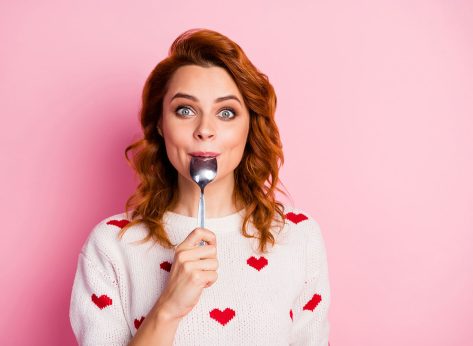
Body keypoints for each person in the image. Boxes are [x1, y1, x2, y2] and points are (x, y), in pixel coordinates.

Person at [69, 28, 331, 346]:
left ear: (250, 126)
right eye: (185, 110)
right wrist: (168, 308)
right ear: (159, 125)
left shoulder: (298, 237)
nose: (205, 129)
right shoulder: (112, 246)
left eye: (226, 113)